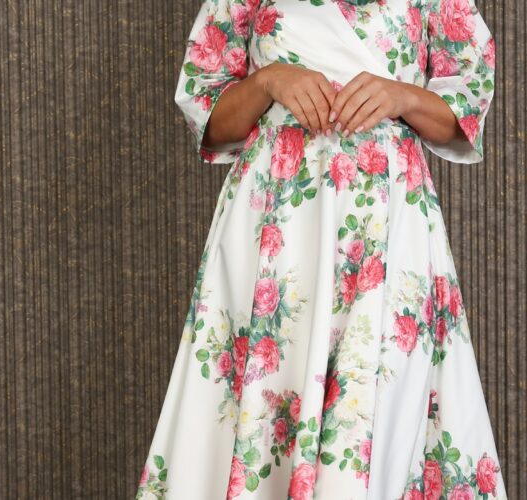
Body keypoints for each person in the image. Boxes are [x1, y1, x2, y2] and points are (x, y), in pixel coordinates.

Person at [135, 0, 505, 498]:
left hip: (386, 227)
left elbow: (466, 110)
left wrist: (403, 97)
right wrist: (268, 82)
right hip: (277, 231)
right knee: (267, 400)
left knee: (385, 415)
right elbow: (210, 117)